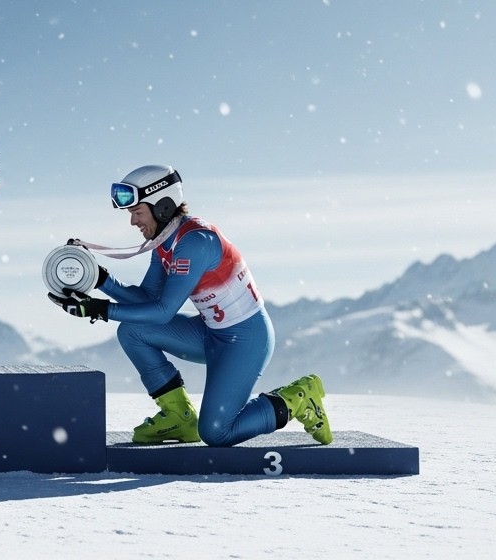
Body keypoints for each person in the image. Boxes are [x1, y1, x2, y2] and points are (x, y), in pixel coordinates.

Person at [49, 165, 332, 447]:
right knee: (132, 331)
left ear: (162, 207)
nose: (133, 222)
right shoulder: (165, 241)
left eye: (137, 213)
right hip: (211, 333)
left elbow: (163, 311)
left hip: (245, 342)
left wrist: (98, 310)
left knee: (217, 433)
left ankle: (297, 398)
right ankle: (180, 417)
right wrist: (99, 278)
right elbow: (148, 298)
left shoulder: (195, 242)